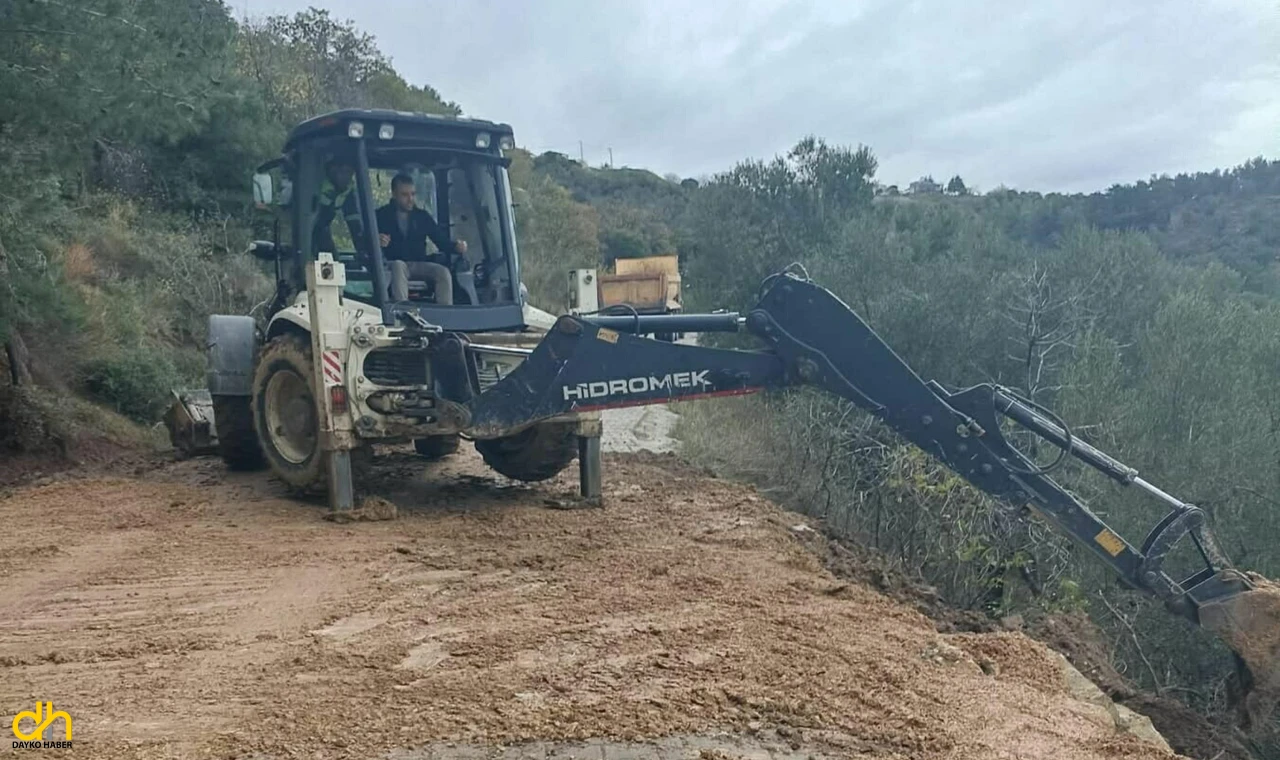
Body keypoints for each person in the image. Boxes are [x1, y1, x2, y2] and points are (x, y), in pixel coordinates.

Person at [375, 173, 469, 304]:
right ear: (394, 194)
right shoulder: (380, 215)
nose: (410, 199)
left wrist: (457, 246)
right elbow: (365, 242)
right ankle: (403, 311)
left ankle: (446, 314)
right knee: (398, 265)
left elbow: (441, 241)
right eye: (405, 195)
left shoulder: (422, 217)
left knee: (443, 272)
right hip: (392, 264)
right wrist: (376, 241)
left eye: (412, 194)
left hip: (418, 264)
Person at [313, 158, 365, 256]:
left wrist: (363, 251)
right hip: (303, 231)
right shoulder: (315, 185)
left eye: (350, 172)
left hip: (322, 229)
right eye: (343, 172)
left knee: (332, 260)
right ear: (332, 169)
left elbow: (354, 224)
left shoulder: (348, 191)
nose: (347, 177)